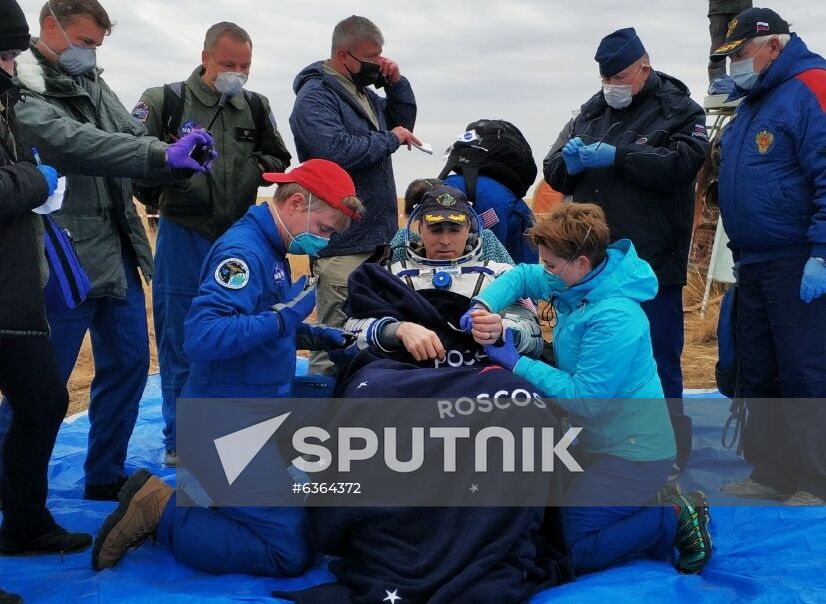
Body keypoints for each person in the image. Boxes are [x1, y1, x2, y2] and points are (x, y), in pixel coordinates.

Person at [92, 159, 362, 575]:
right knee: (287, 550)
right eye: (324, 230)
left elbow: (253, 320)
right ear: (295, 203)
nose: (324, 242)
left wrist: (308, 334)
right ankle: (160, 510)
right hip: (224, 427)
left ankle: (222, 497)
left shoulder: (271, 246)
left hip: (253, 413)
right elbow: (203, 336)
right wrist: (284, 318)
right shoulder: (243, 252)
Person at [0, 0, 216, 502]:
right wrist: (155, 154)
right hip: (63, 257)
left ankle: (104, 474)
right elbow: (75, 143)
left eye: (98, 45)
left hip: (117, 247)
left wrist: (173, 149)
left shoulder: (92, 82)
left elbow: (126, 133)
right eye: (86, 42)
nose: (91, 54)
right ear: (50, 26)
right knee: (42, 384)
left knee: (129, 363)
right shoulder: (22, 88)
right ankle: (13, 489)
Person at [466, 202, 712, 575]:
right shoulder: (577, 279)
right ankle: (643, 502)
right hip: (597, 442)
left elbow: (586, 400)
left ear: (581, 263)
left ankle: (672, 514)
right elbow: (522, 277)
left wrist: (516, 361)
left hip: (635, 453)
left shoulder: (614, 317)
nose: (545, 272)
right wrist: (484, 305)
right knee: (541, 518)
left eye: (551, 265)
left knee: (569, 549)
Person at [544, 27, 709, 479]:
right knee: (588, 358)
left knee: (656, 357)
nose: (611, 86)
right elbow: (553, 166)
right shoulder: (591, 112)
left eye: (619, 76)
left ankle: (669, 453)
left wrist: (617, 157)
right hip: (591, 268)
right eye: (605, 79)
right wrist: (569, 163)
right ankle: (602, 447)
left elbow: (681, 165)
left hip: (650, 263)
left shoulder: (680, 110)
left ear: (643, 68)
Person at [132, 21, 292, 467]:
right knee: (181, 338)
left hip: (237, 236)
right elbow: (131, 154)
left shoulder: (256, 107)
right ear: (205, 58)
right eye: (228, 65)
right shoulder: (164, 100)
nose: (236, 74)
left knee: (242, 331)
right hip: (184, 233)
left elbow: (280, 156)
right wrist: (176, 158)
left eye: (245, 66)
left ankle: (235, 433)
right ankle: (181, 440)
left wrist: (247, 167)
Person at [711, 7, 826, 505]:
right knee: (757, 370)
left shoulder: (812, 88)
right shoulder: (753, 101)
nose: (734, 63)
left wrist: (823, 251)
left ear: (773, 45)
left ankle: (815, 480)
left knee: (805, 372)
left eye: (740, 53)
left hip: (798, 259)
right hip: (753, 260)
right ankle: (771, 473)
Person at [0, 0, 92, 557]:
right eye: (6, 53)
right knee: (39, 403)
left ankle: (24, 524)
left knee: (42, 403)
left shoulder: (9, 102)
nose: (12, 65)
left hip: (13, 291)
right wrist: (37, 177)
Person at [290, 15, 418, 376]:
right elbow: (335, 151)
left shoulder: (362, 94)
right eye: (372, 57)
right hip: (343, 247)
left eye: (381, 56)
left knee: (375, 343)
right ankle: (318, 429)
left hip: (376, 244)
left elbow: (402, 122)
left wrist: (397, 84)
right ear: (344, 55)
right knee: (333, 347)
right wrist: (390, 139)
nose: (378, 64)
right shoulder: (315, 98)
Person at [346, 183, 542, 362]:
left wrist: (503, 330)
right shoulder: (390, 275)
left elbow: (534, 338)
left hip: (478, 375)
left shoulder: (502, 275)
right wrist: (396, 330)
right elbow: (349, 333)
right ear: (420, 228)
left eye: (455, 229)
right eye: (436, 229)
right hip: (407, 375)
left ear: (469, 228)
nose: (445, 240)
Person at [708, 1, 753, 84]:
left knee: (742, 45)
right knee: (718, 45)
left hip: (741, 7)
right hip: (718, 8)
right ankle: (717, 81)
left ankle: (744, 79)